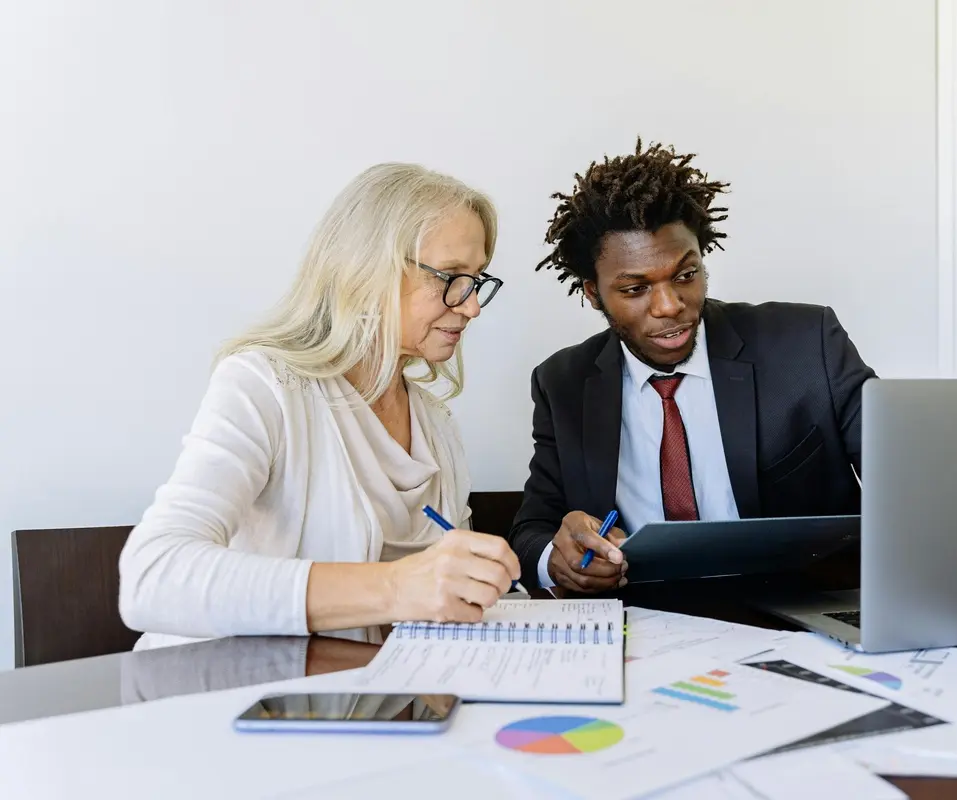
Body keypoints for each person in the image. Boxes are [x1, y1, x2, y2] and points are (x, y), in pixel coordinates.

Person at [119, 163, 520, 649]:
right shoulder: (264, 386)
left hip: (362, 688)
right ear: (368, 269)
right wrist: (396, 588)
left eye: (477, 280)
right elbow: (153, 576)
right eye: (452, 277)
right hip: (223, 685)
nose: (472, 306)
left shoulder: (437, 425)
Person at [509, 139, 877, 593]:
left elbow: (908, 481)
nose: (670, 306)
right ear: (593, 293)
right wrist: (559, 558)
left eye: (686, 275)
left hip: (799, 610)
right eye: (635, 289)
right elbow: (532, 532)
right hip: (642, 616)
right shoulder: (563, 383)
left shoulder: (806, 345)